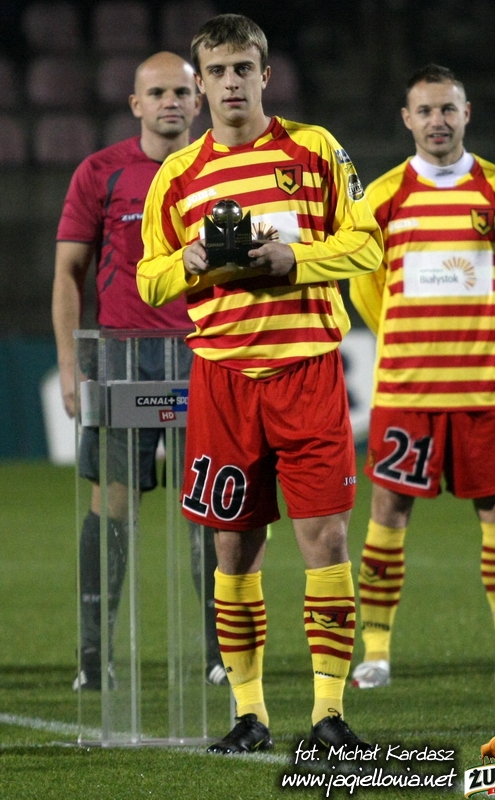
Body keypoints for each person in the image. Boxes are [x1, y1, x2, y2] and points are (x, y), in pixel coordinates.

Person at [137, 14, 383, 755]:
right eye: (217, 71)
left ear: (266, 75)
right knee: (234, 552)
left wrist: (294, 260)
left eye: (244, 68)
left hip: (308, 371)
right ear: (201, 83)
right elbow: (149, 278)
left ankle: (329, 715)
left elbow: (367, 242)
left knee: (326, 539)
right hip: (224, 381)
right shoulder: (178, 176)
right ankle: (250, 715)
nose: (231, 83)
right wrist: (190, 263)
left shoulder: (315, 149)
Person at [52, 51, 228, 690]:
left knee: (212, 503)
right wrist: (70, 364)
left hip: (209, 353)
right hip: (123, 357)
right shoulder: (100, 172)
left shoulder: (225, 170)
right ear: (136, 104)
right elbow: (68, 273)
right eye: (157, 93)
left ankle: (221, 655)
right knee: (113, 502)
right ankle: (93, 658)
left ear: (199, 100)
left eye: (182, 91)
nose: (170, 102)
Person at [350, 64, 495, 690]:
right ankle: (375, 653)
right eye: (425, 111)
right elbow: (366, 287)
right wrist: (407, 330)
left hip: (485, 384)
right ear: (407, 119)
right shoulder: (382, 197)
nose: (437, 121)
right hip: (407, 386)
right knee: (388, 510)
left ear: (467, 113)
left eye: (448, 109)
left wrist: (479, 326)